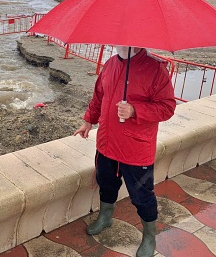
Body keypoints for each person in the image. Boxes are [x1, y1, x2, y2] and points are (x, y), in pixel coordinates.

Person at [74, 46, 176, 257]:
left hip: (136, 149)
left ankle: (149, 236)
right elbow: (99, 97)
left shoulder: (156, 69)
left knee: (141, 195)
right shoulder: (110, 64)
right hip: (107, 143)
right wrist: (88, 121)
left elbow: (167, 108)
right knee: (106, 184)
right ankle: (105, 216)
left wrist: (135, 110)